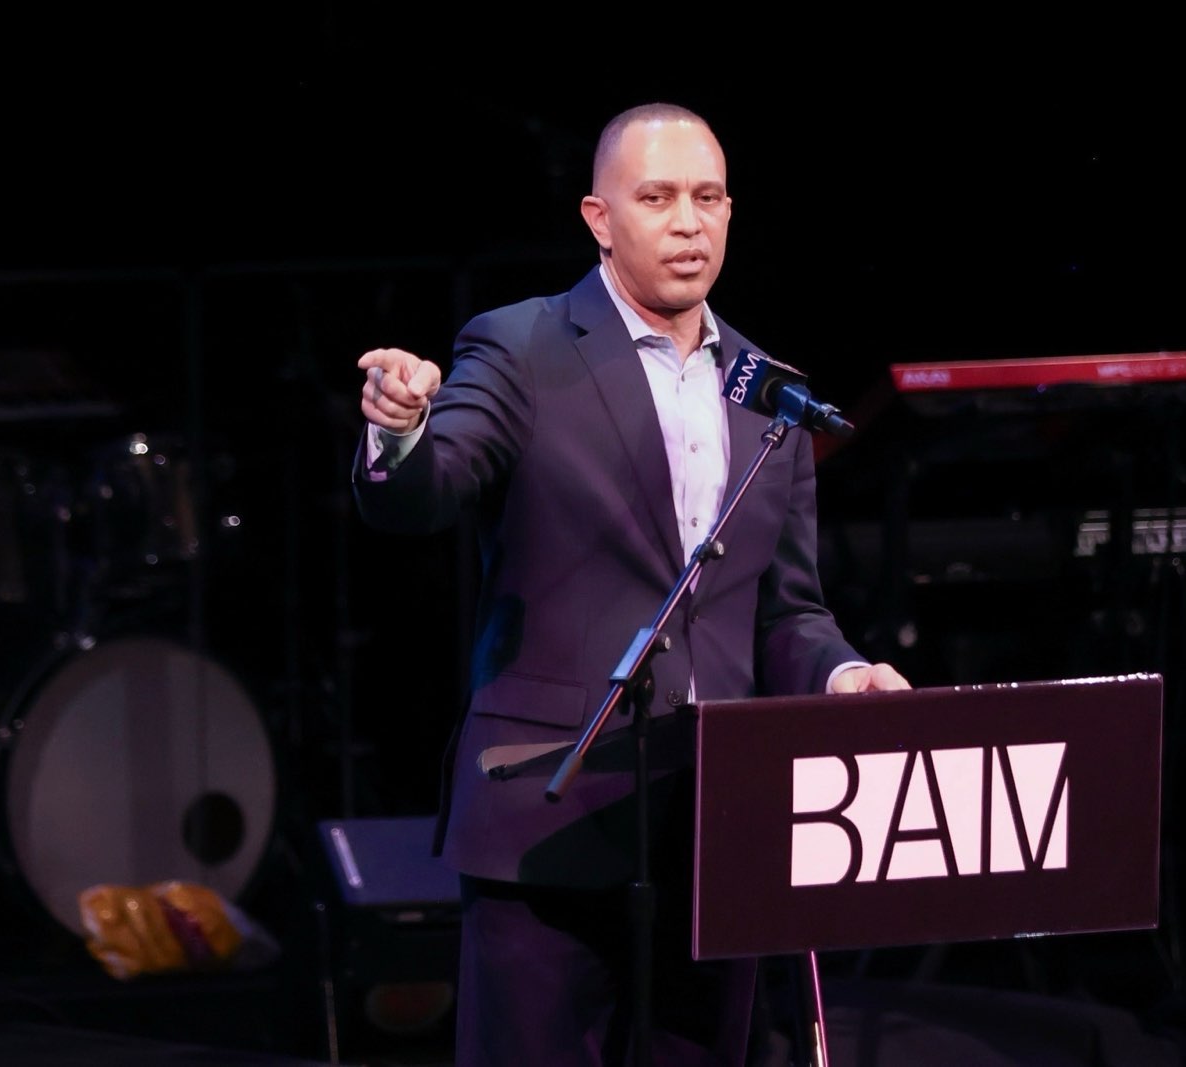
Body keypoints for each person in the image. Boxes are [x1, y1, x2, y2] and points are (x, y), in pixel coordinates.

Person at [351, 101, 910, 1067]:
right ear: (600, 218)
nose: (687, 222)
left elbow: (788, 610)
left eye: (707, 198)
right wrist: (399, 431)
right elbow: (427, 490)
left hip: (714, 832)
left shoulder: (769, 387)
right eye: (656, 198)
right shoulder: (523, 345)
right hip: (549, 817)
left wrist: (841, 675)